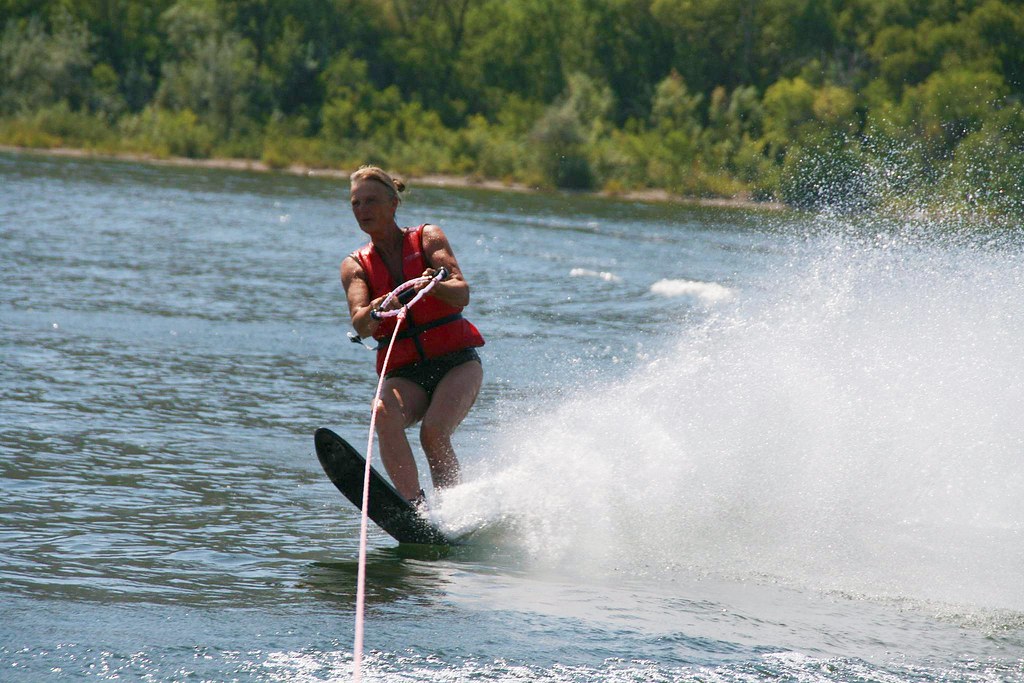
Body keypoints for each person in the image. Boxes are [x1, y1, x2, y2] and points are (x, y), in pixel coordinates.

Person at [341, 165, 485, 504]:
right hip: (407, 374)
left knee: (433, 433)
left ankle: (453, 511)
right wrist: (376, 308)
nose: (363, 211)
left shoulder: (427, 238)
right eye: (356, 203)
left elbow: (461, 292)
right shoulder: (355, 265)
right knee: (382, 413)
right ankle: (415, 507)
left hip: (457, 364)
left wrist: (432, 287)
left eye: (371, 201)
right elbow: (360, 322)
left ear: (393, 204)